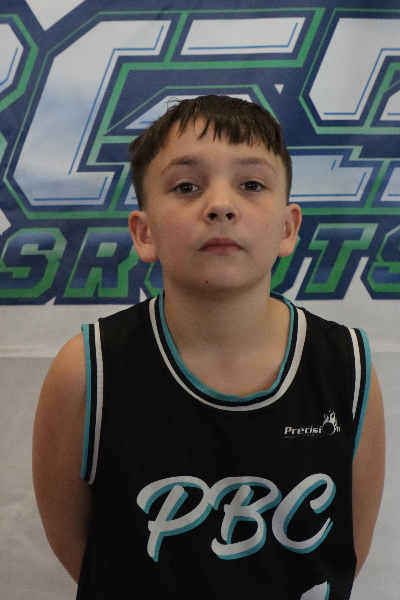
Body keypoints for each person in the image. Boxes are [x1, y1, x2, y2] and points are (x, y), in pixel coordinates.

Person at [32, 95, 385, 599]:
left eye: (251, 184)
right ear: (144, 232)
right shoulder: (88, 371)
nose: (220, 205)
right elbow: (79, 548)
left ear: (288, 228)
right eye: (186, 186)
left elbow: (347, 548)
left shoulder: (347, 367)